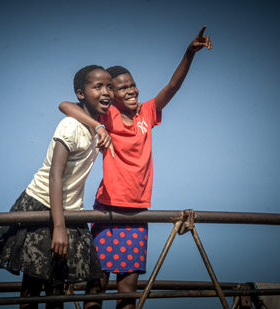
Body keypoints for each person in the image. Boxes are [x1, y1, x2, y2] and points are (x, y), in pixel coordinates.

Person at [59, 26, 212, 309]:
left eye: (132, 85)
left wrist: (189, 54)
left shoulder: (148, 112)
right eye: (123, 88)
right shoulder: (108, 116)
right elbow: (66, 105)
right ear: (111, 95)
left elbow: (172, 87)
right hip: (106, 210)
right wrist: (96, 126)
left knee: (127, 292)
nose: (131, 90)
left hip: (138, 210)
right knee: (97, 285)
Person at [0, 65, 114, 309]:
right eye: (98, 86)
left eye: (109, 86)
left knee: (77, 280)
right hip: (42, 204)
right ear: (81, 93)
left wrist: (99, 126)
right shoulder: (70, 126)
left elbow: (69, 103)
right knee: (35, 282)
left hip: (72, 209)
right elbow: (55, 175)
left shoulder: (99, 123)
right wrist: (59, 227)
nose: (106, 91)